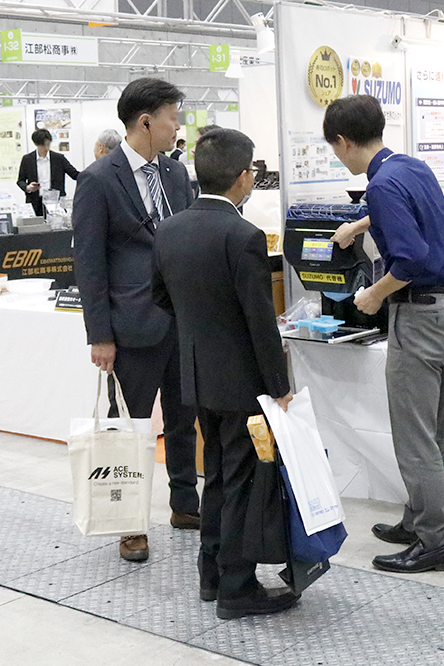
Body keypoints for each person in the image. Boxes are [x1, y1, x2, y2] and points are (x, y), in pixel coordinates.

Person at [152, 127, 298, 618]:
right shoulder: (243, 236)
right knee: (241, 481)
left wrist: (200, 333)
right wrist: (279, 385)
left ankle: (211, 573)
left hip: (196, 376)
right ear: (243, 177)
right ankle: (236, 587)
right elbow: (260, 320)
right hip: (240, 382)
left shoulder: (169, 230)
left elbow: (159, 296)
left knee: (214, 475)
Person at [324, 95, 444, 574]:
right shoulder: (409, 167)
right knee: (429, 431)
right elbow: (410, 212)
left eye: (334, 148)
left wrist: (373, 295)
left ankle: (435, 543)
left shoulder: (380, 185)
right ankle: (417, 519)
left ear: (343, 142)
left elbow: (409, 259)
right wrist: (359, 225)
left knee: (414, 439)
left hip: (419, 318)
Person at [72, 77, 201, 563]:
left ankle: (185, 505)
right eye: (172, 118)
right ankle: (129, 522)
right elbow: (89, 265)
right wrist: (100, 334)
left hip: (182, 321)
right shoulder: (99, 179)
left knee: (185, 419)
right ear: (145, 122)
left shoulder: (175, 173)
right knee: (130, 428)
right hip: (130, 325)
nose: (177, 128)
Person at [17, 128, 80, 216]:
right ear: (36, 144)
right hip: (35, 202)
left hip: (56, 202)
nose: (46, 147)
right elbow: (20, 180)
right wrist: (28, 187)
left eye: (48, 144)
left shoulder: (59, 158)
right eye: (43, 145)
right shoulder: (27, 159)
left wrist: (89, 175)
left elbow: (74, 174)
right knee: (37, 224)